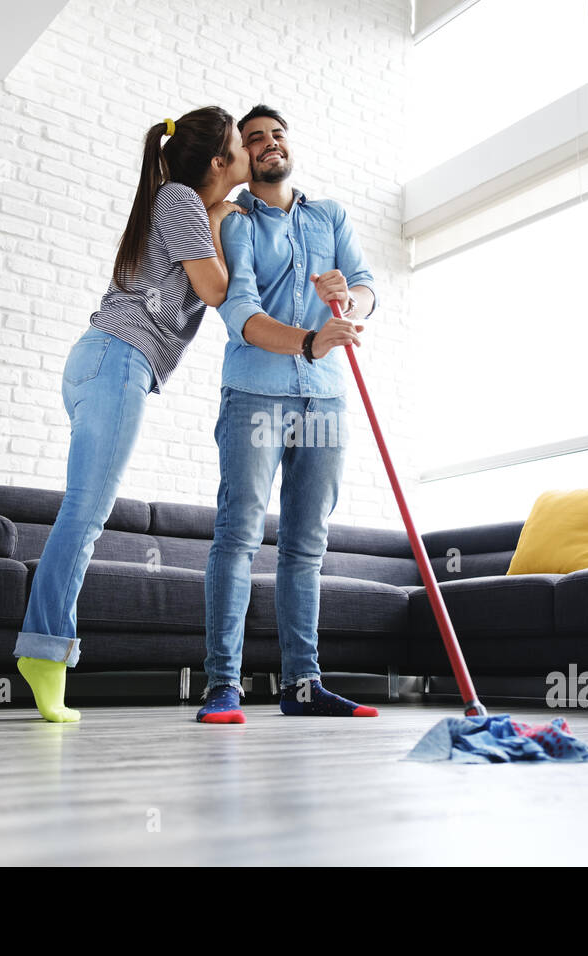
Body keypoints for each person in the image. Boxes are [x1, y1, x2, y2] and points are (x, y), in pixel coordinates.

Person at [15, 107, 249, 722]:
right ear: (219, 162)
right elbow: (217, 290)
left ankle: (44, 652)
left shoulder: (191, 205)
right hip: (117, 360)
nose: (253, 152)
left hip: (112, 364)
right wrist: (226, 212)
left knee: (85, 511)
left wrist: (227, 210)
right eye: (239, 144)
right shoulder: (178, 199)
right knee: (86, 515)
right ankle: (44, 654)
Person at [197, 104, 380, 723]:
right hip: (257, 393)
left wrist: (346, 301)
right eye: (255, 139)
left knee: (306, 546)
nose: (270, 143)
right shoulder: (237, 223)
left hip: (325, 397)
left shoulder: (330, 215)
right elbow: (240, 313)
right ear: (244, 158)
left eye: (277, 134)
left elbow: (365, 285)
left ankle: (303, 685)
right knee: (239, 536)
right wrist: (307, 339)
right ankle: (222, 684)